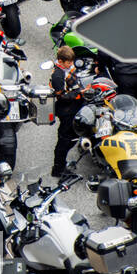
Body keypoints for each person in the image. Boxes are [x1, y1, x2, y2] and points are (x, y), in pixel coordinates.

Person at [50, 45, 85, 178]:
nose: (71, 64)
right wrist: (78, 92)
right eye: (68, 62)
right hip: (66, 110)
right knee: (65, 140)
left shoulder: (66, 70)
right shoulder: (58, 75)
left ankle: (60, 165)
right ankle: (58, 169)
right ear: (60, 61)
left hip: (72, 108)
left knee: (70, 138)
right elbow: (61, 96)